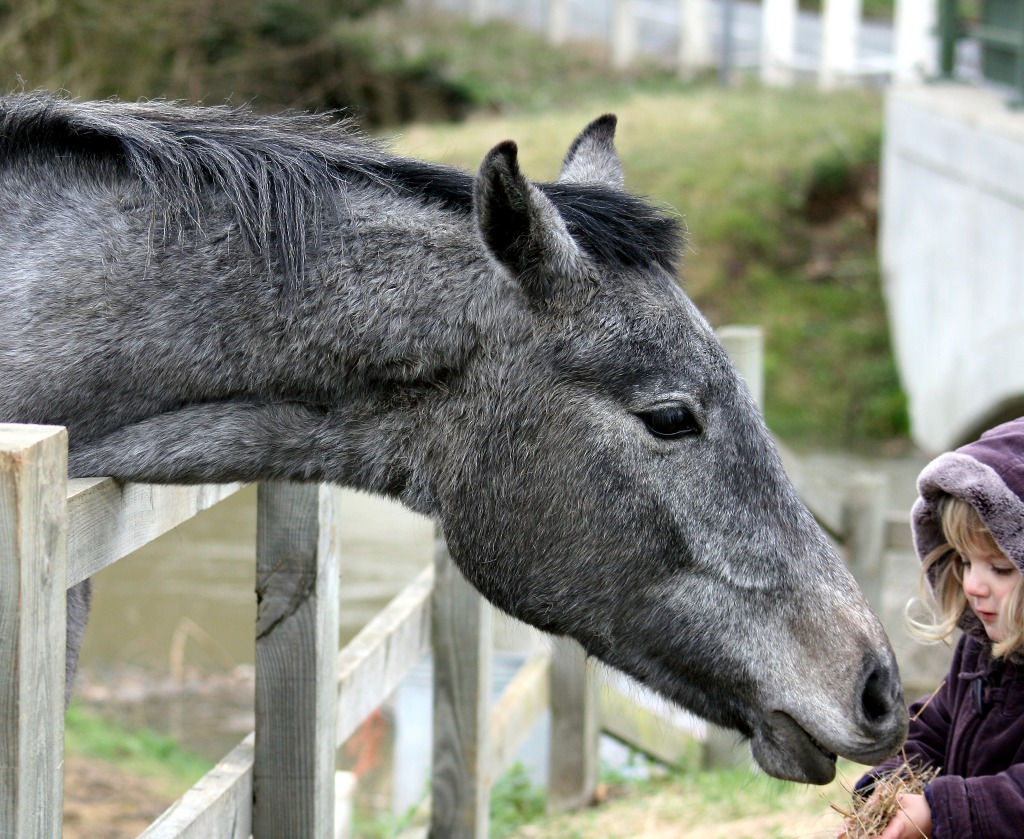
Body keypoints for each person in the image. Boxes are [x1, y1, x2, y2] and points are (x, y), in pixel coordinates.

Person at [841, 417, 1024, 839]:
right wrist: (892, 786)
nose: (973, 586)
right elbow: (935, 723)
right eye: (963, 561)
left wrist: (942, 811)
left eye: (999, 568)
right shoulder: (981, 651)